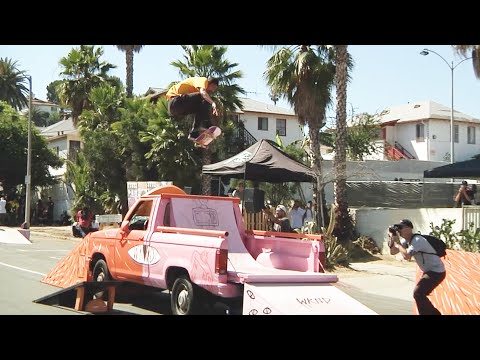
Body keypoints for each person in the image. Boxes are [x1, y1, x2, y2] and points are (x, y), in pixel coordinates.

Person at [388, 219, 446, 315]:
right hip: (429, 271)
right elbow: (392, 252)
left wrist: (397, 243)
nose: (399, 230)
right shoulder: (406, 241)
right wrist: (392, 238)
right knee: (419, 294)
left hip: (436, 271)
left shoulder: (418, 240)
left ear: (409, 228)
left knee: (418, 293)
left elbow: (407, 257)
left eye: (401, 228)